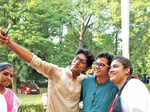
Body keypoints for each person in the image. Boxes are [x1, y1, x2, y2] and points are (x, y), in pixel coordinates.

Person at [0, 30, 94, 112]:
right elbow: (33, 60)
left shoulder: (85, 81)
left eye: (82, 61)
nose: (77, 62)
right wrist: (9, 43)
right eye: (76, 58)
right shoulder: (56, 72)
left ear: (87, 68)